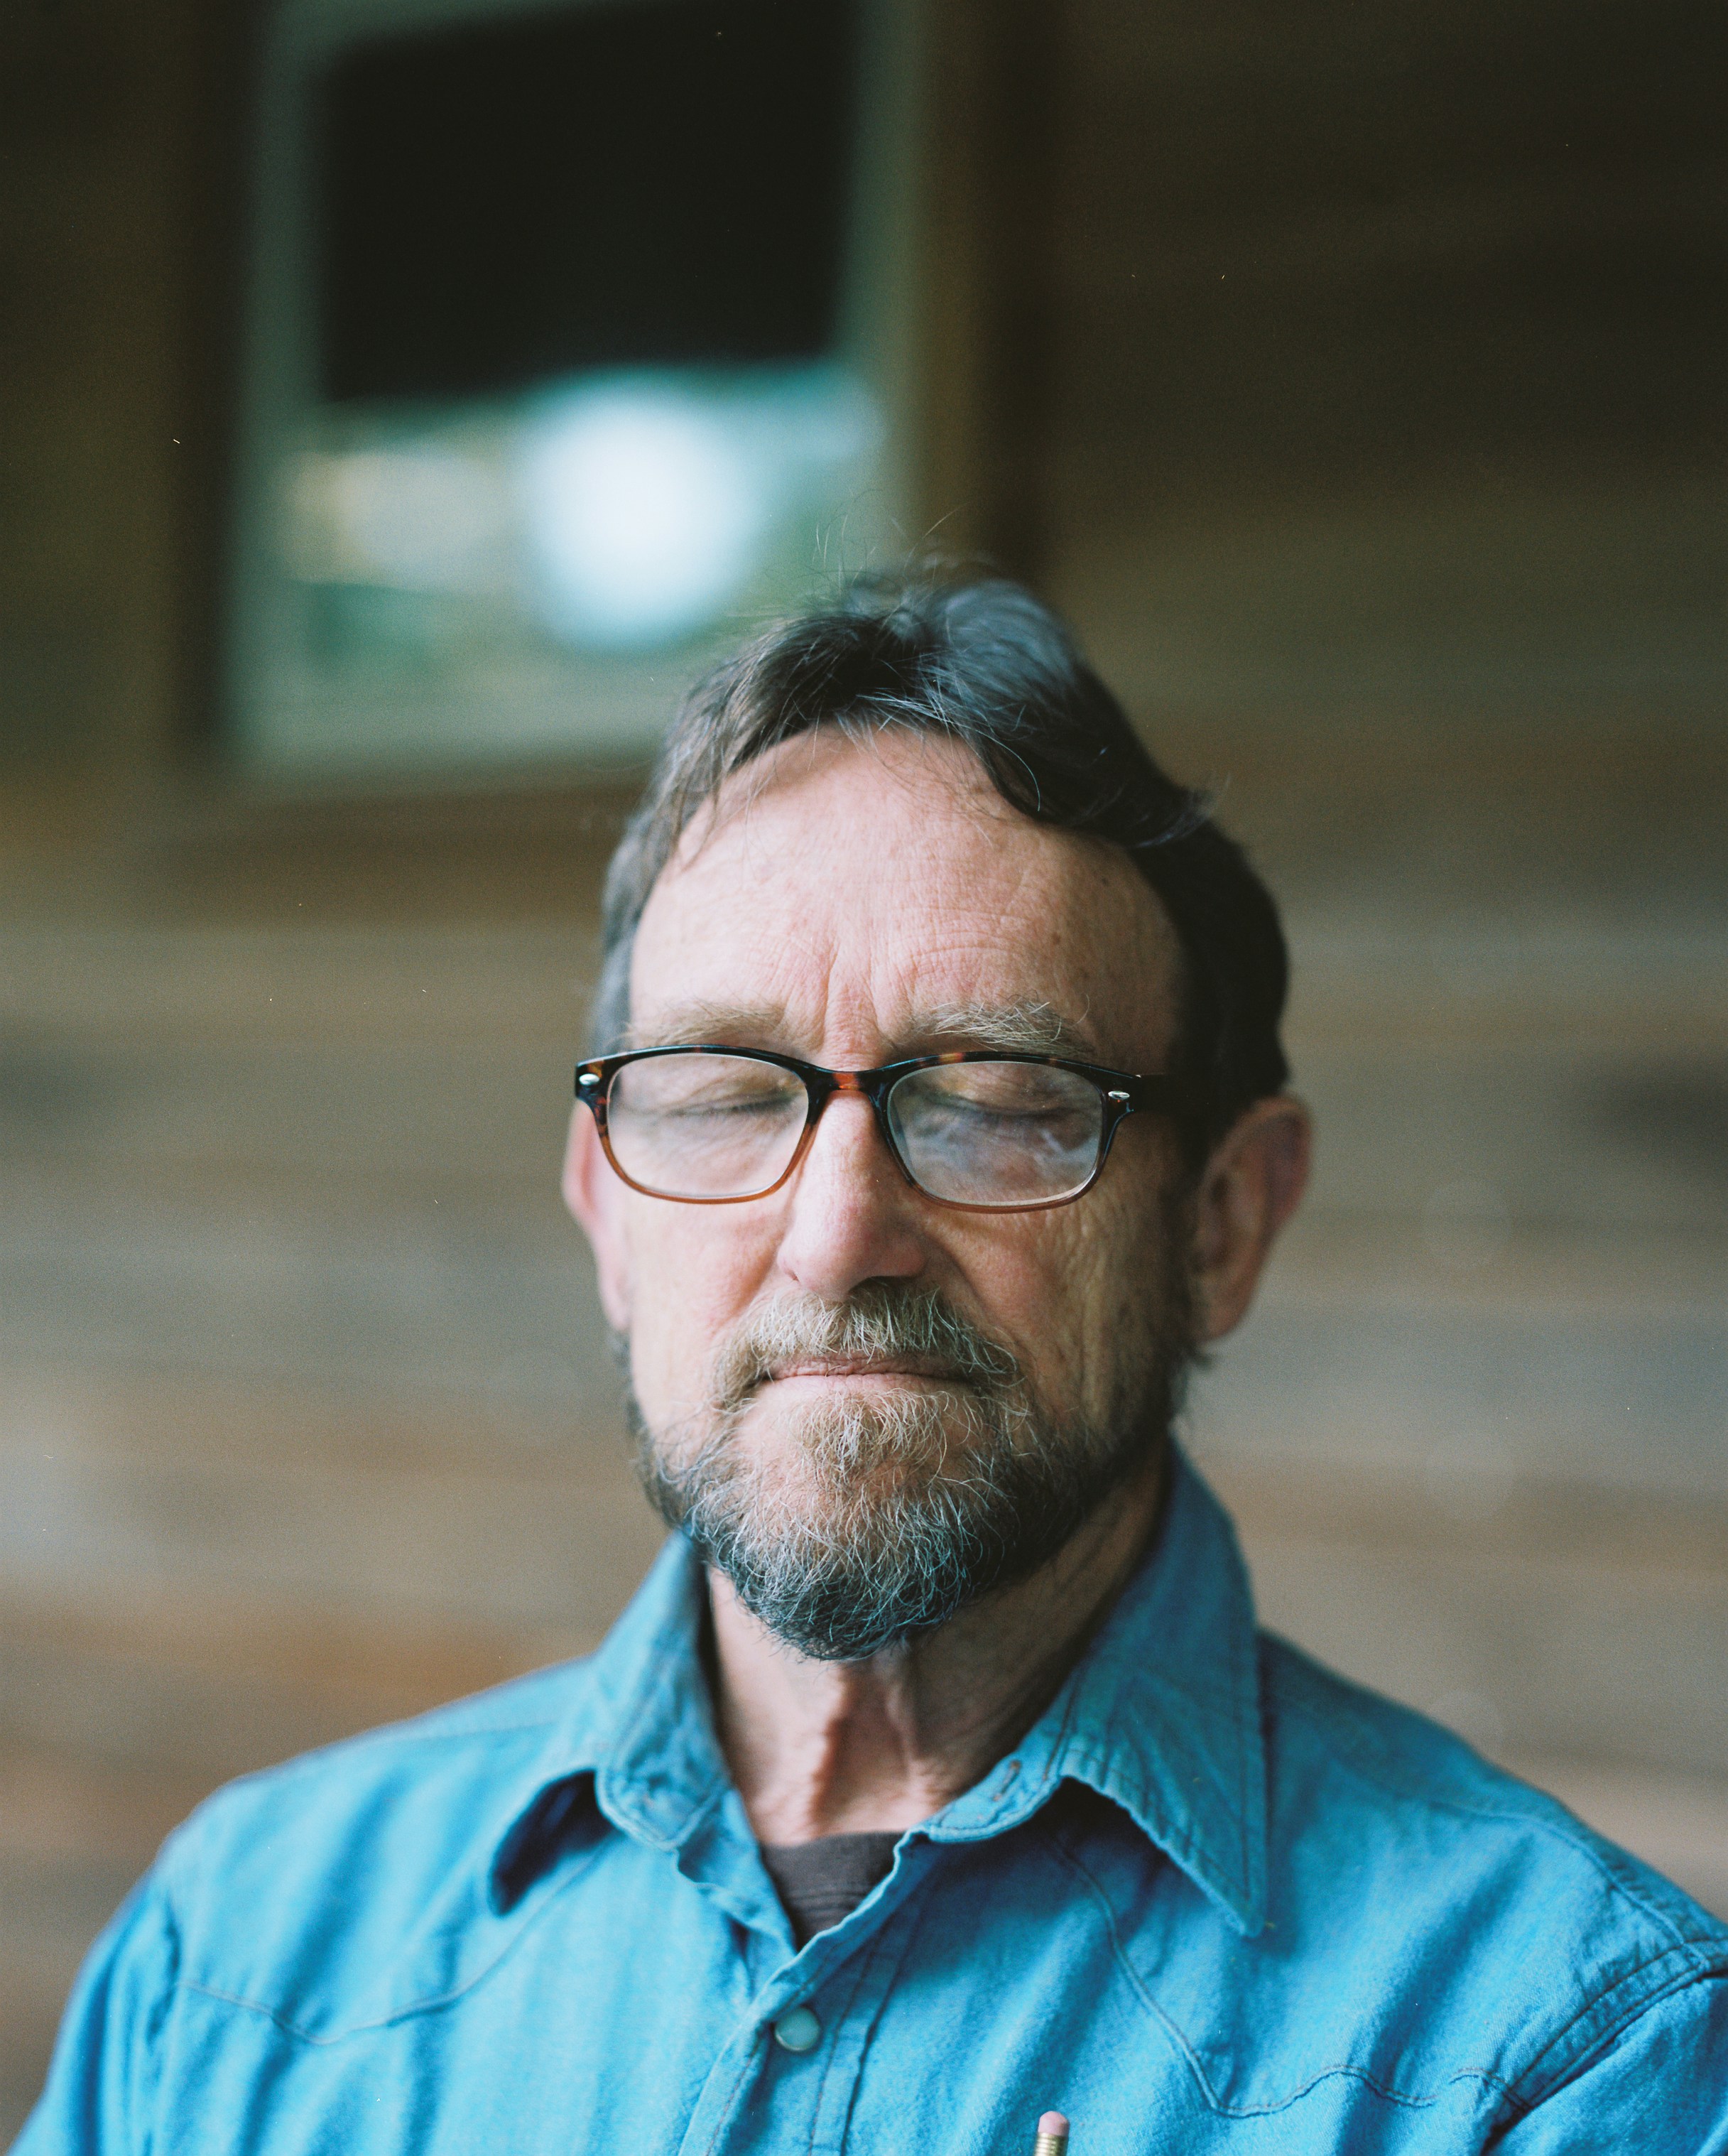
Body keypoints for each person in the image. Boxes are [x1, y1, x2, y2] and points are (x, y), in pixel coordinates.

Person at [18, 578, 1728, 2155]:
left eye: (994, 1104)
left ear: (1218, 1223)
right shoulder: (239, 1962)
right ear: (607, 1211)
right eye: (726, 1090)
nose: (838, 1235)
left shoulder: (1557, 2061)